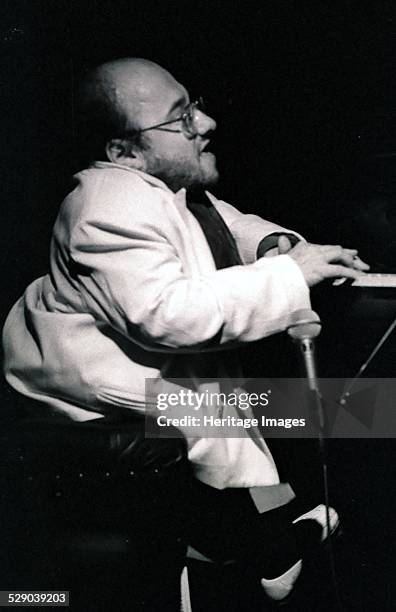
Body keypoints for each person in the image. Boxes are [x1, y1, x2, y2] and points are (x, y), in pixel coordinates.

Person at [2, 58, 368, 607]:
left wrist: (274, 247)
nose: (206, 122)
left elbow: (222, 225)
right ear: (123, 151)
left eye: (192, 105)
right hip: (94, 376)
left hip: (161, 374)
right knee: (282, 417)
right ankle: (269, 545)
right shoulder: (108, 206)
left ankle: (269, 534)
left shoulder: (165, 184)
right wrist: (292, 276)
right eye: (181, 119)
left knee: (327, 411)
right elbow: (172, 318)